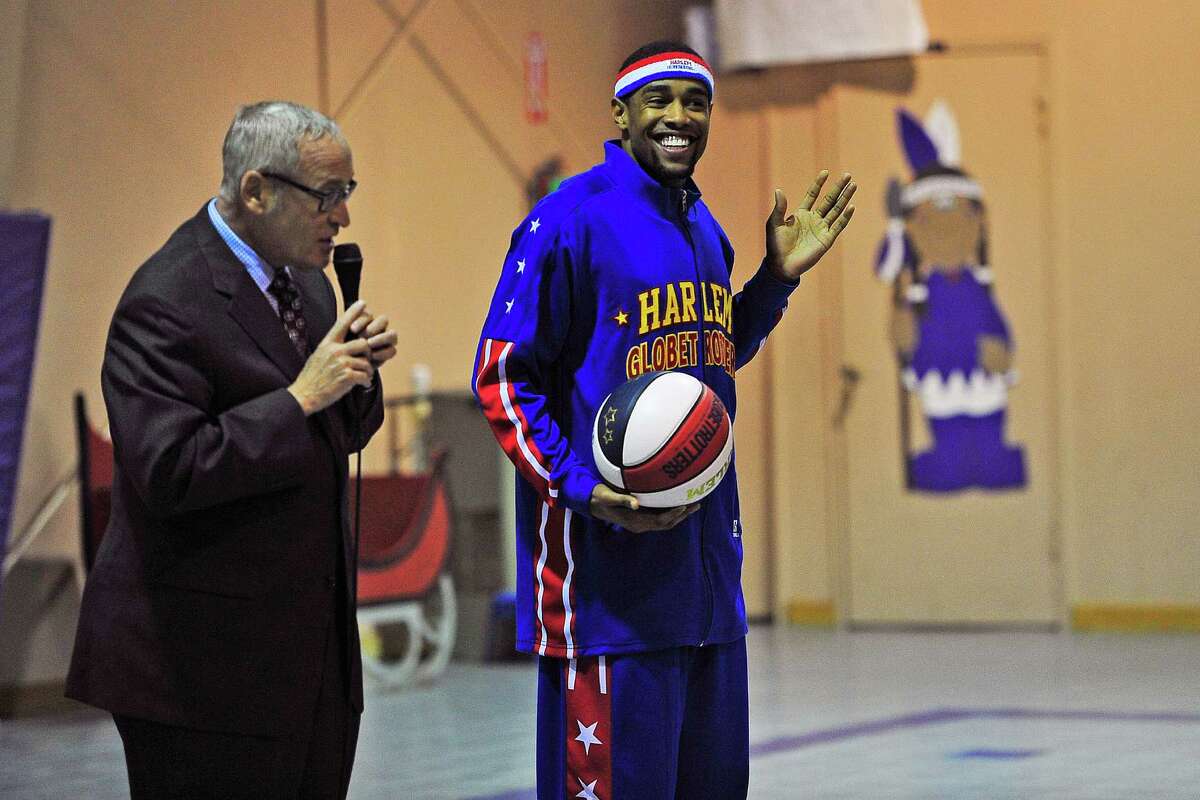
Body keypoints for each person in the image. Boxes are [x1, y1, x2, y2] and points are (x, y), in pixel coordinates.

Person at [472, 41, 855, 799]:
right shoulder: (568, 222)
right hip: (610, 595)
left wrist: (774, 280)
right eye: (660, 100)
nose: (681, 117)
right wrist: (584, 488)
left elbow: (702, 371)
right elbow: (501, 380)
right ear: (620, 114)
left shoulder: (705, 230)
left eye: (697, 101)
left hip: (708, 592)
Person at [66, 101, 396, 799]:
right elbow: (171, 470)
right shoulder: (164, 300)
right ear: (256, 190)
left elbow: (330, 437)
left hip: (307, 656)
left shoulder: (305, 280)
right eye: (327, 196)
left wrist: (357, 380)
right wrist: (300, 398)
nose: (342, 217)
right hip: (198, 669)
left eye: (348, 194)